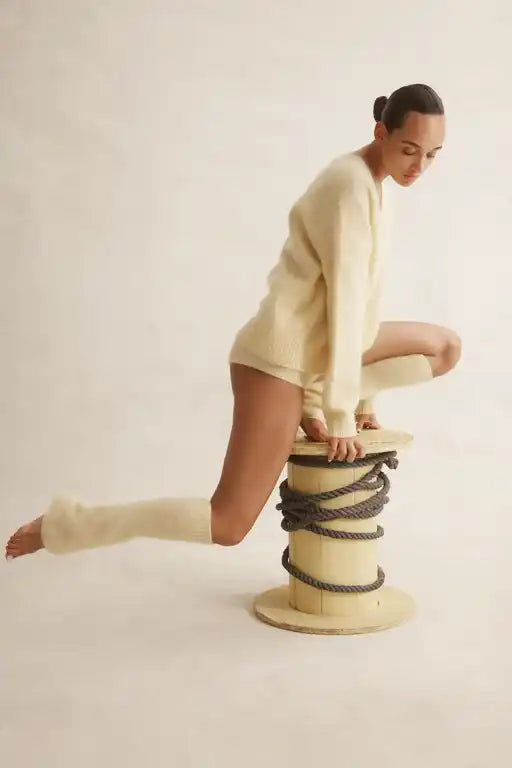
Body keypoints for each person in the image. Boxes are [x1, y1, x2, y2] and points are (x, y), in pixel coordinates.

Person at [5, 83, 461, 561]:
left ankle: (315, 395)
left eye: (432, 155)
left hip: (316, 355)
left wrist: (358, 401)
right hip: (277, 361)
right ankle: (69, 526)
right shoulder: (349, 185)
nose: (419, 166)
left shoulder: (377, 185)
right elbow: (344, 304)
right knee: (228, 523)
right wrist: (341, 414)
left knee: (444, 348)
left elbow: (364, 301)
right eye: (409, 149)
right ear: (381, 132)